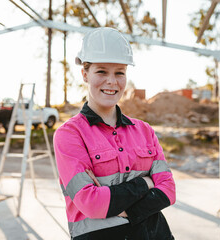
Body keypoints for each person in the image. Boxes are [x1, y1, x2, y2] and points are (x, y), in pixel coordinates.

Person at [54, 27, 176, 240]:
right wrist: (146, 183)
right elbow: (91, 203)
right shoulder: (70, 135)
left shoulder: (145, 131)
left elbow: (168, 191)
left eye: (119, 72)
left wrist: (123, 209)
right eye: (101, 71)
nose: (111, 81)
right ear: (85, 74)